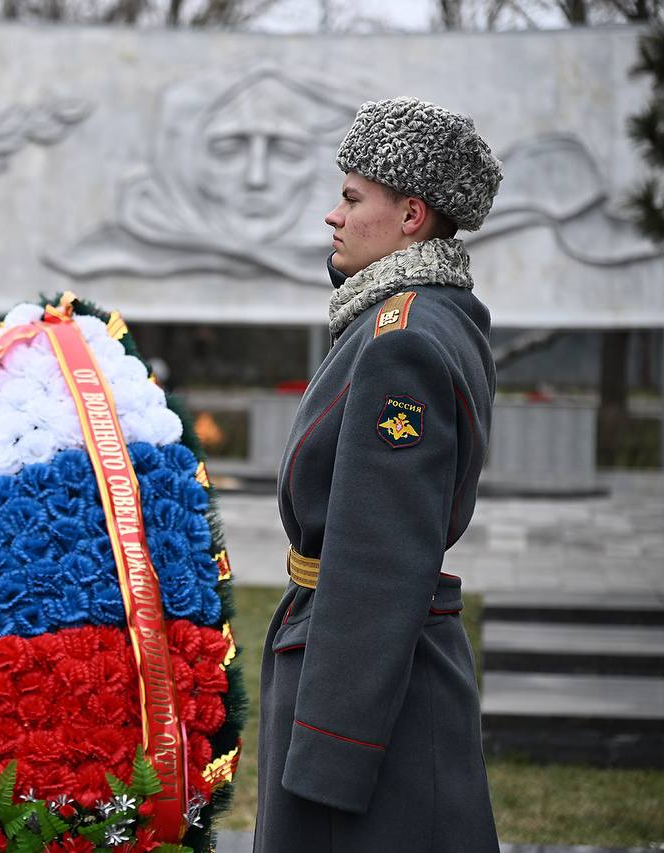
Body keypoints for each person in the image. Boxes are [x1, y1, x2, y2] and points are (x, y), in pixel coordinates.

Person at [255, 97, 503, 853]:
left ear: (411, 216)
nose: (333, 216)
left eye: (353, 198)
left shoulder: (403, 338)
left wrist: (331, 748)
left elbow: (380, 555)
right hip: (373, 670)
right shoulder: (417, 315)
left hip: (368, 697)